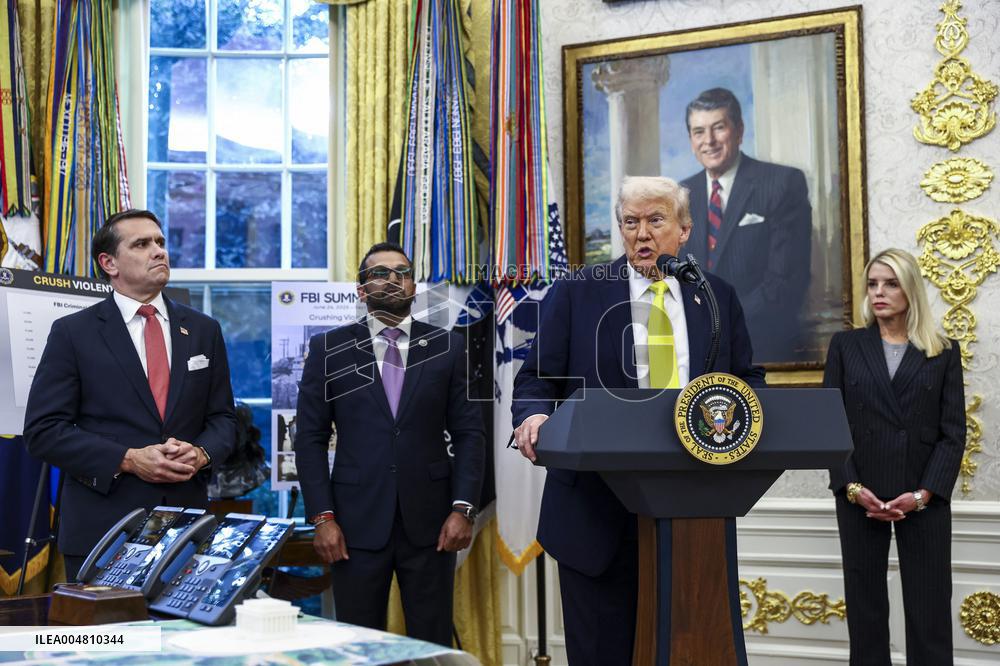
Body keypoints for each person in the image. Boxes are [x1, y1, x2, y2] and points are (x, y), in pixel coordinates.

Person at [512, 176, 765, 665]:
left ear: (685, 229)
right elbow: (536, 378)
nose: (642, 233)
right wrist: (535, 414)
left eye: (656, 220)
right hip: (594, 513)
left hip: (693, 513)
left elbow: (746, 379)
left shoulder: (716, 297)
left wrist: (746, 414)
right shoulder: (578, 292)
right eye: (631, 222)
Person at [23, 209, 237, 581]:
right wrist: (127, 458)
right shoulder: (74, 333)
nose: (159, 251)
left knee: (176, 640)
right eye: (141, 244)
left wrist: (202, 453)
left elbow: (223, 419)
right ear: (109, 263)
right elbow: (44, 430)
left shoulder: (203, 330)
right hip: (104, 530)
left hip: (185, 529)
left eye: (160, 242)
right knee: (114, 641)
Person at [295, 241, 485, 646]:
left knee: (431, 645)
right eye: (379, 272)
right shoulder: (328, 349)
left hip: (433, 523)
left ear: (413, 286)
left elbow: (470, 433)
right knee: (359, 645)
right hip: (353, 525)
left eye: (401, 272)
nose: (392, 279)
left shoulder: (448, 347)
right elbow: (310, 439)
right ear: (361, 289)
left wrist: (464, 509)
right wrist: (323, 519)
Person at [825, 248, 964, 666]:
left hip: (923, 498)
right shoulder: (847, 346)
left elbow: (953, 433)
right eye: (872, 284)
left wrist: (923, 495)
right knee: (865, 612)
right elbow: (830, 427)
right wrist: (851, 488)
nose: (879, 292)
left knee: (929, 611)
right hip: (859, 494)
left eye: (890, 283)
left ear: (910, 289)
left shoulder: (942, 350)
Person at [680, 87, 812, 363]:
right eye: (699, 131)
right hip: (696, 354)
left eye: (719, 127)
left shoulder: (781, 183)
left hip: (763, 349)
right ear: (691, 140)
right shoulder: (681, 195)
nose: (709, 141)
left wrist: (718, 319)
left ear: (739, 131)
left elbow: (784, 282)